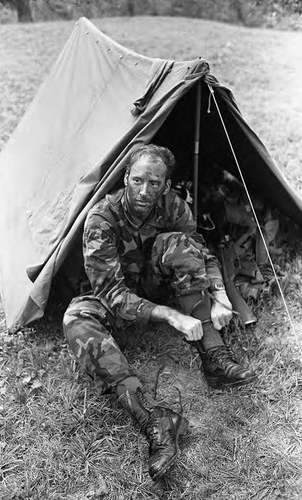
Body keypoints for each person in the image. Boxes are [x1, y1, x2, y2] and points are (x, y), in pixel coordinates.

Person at [63, 144, 257, 481]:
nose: (144, 191)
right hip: (118, 296)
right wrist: (170, 315)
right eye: (137, 180)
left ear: (165, 185)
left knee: (179, 243)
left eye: (154, 183)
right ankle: (152, 418)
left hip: (157, 282)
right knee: (76, 317)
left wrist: (220, 296)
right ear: (125, 178)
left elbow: (200, 250)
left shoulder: (173, 206)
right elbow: (112, 293)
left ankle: (214, 356)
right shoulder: (101, 219)